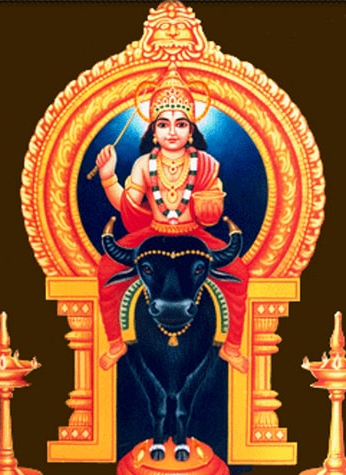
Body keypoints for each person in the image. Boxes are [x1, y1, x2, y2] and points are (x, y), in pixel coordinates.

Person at [94, 64, 249, 374]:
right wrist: (108, 177)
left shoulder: (206, 163)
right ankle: (115, 342)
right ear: (153, 131)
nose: (172, 132)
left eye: (181, 124)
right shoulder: (143, 164)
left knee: (240, 273)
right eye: (164, 124)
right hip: (153, 232)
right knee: (106, 269)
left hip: (195, 233)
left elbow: (211, 211)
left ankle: (232, 346)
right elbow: (127, 206)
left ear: (191, 131)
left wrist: (211, 201)